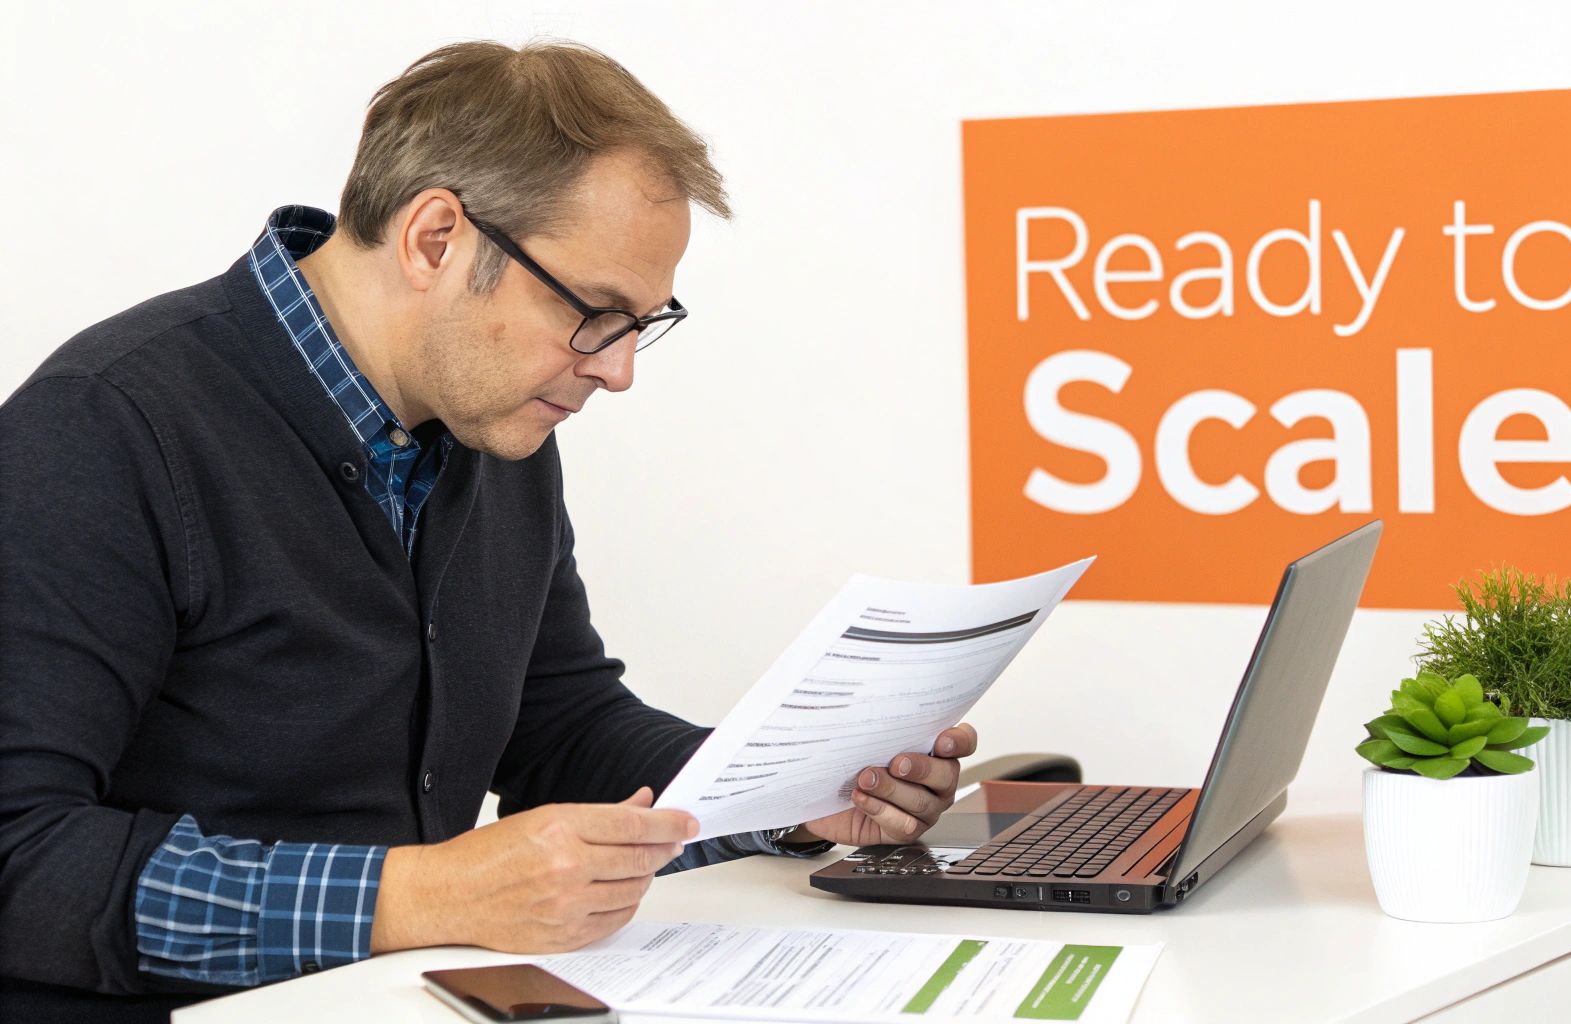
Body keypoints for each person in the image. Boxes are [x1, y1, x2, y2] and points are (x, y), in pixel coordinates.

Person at [0, 39, 979, 1021]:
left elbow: (560, 730)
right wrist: (429, 893)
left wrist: (791, 797)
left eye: (645, 322)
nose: (618, 369)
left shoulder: (488, 428)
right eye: (595, 313)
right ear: (436, 239)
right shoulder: (102, 427)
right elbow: (18, 852)